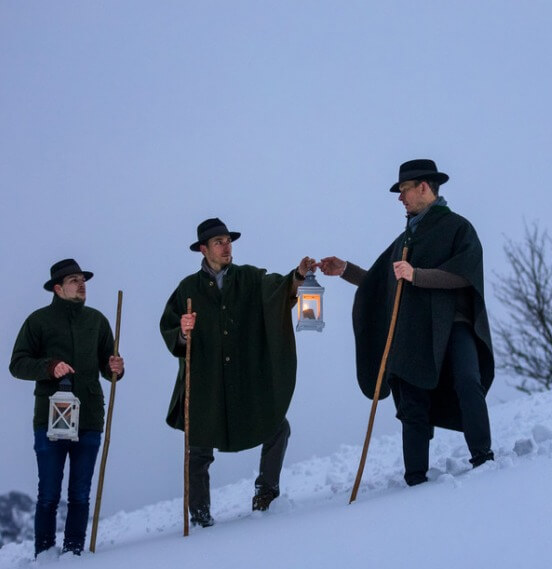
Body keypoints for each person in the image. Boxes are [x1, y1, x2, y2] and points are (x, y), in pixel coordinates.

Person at [320, 158, 495, 486]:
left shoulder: (457, 227)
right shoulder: (405, 240)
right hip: (414, 332)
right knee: (412, 402)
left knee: (468, 383)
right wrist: (346, 270)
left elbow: (464, 271)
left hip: (453, 324)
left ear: (424, 187)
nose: (400, 198)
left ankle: (484, 459)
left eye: (404, 190)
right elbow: (382, 282)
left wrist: (418, 275)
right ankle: (415, 478)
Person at [160, 217, 315, 527]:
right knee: (198, 448)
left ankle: (265, 492)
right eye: (219, 242)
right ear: (203, 250)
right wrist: (183, 331)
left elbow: (280, 290)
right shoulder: (187, 288)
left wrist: (299, 276)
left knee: (277, 428)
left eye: (228, 240)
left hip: (245, 378)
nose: (226, 246)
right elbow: (169, 327)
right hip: (206, 382)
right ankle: (200, 515)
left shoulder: (249, 278)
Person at [9, 258, 125, 557]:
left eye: (83, 279)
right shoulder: (38, 321)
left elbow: (107, 367)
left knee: (80, 495)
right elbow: (17, 364)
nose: (82, 284)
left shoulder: (97, 321)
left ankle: (74, 553)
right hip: (51, 418)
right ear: (58, 288)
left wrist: (116, 367)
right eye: (74, 280)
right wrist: (50, 367)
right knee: (48, 494)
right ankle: (44, 554)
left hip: (89, 416)